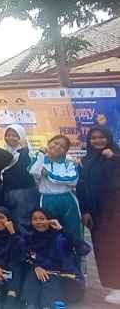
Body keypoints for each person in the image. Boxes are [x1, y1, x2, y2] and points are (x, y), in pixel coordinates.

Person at [77, 126, 120, 304]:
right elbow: (82, 187)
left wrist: (115, 158)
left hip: (116, 211)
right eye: (93, 138)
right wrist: (85, 210)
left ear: (109, 138)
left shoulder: (116, 155)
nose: (98, 141)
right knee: (103, 250)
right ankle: (114, 286)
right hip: (97, 214)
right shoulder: (86, 161)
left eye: (102, 137)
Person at [20, 208, 91, 309]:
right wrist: (36, 266)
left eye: (42, 219)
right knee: (33, 274)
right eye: (35, 219)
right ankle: (30, 305)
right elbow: (24, 256)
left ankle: (49, 306)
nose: (38, 222)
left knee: (48, 278)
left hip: (68, 282)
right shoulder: (30, 238)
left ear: (50, 220)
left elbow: (84, 249)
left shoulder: (60, 238)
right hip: (43, 280)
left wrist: (62, 229)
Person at [28, 135, 82, 240]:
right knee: (48, 229)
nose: (58, 147)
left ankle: (76, 248)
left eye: (62, 147)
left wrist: (49, 175)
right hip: (47, 199)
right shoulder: (41, 159)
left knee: (73, 228)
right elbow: (33, 171)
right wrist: (41, 153)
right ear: (49, 143)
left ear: (65, 151)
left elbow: (72, 180)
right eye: (55, 143)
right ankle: (50, 249)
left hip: (67, 199)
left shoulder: (69, 162)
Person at [0, 124, 38, 235]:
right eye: (8, 135)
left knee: (26, 221)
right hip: (8, 192)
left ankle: (28, 243)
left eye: (14, 135)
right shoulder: (3, 153)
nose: (10, 138)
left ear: (21, 136)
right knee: (14, 221)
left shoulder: (28, 152)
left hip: (25, 192)